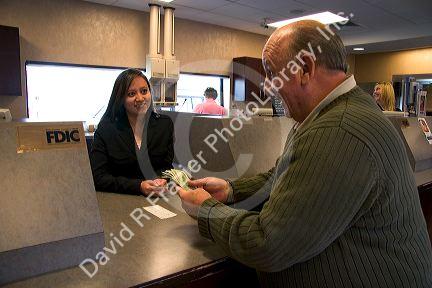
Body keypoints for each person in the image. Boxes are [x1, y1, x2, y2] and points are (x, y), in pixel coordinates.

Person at [177, 20, 432, 287]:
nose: (267, 87)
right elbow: (285, 174)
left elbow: (268, 243)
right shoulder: (339, 112)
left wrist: (206, 209)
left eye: (272, 73)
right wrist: (231, 190)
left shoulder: (337, 130)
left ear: (305, 69)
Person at [90, 68, 174, 196]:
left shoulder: (164, 124)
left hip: (157, 199)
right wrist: (138, 186)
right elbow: (98, 178)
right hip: (120, 200)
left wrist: (162, 180)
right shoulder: (106, 129)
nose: (140, 98)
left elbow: (166, 167)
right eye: (131, 94)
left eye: (144, 91)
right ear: (120, 98)